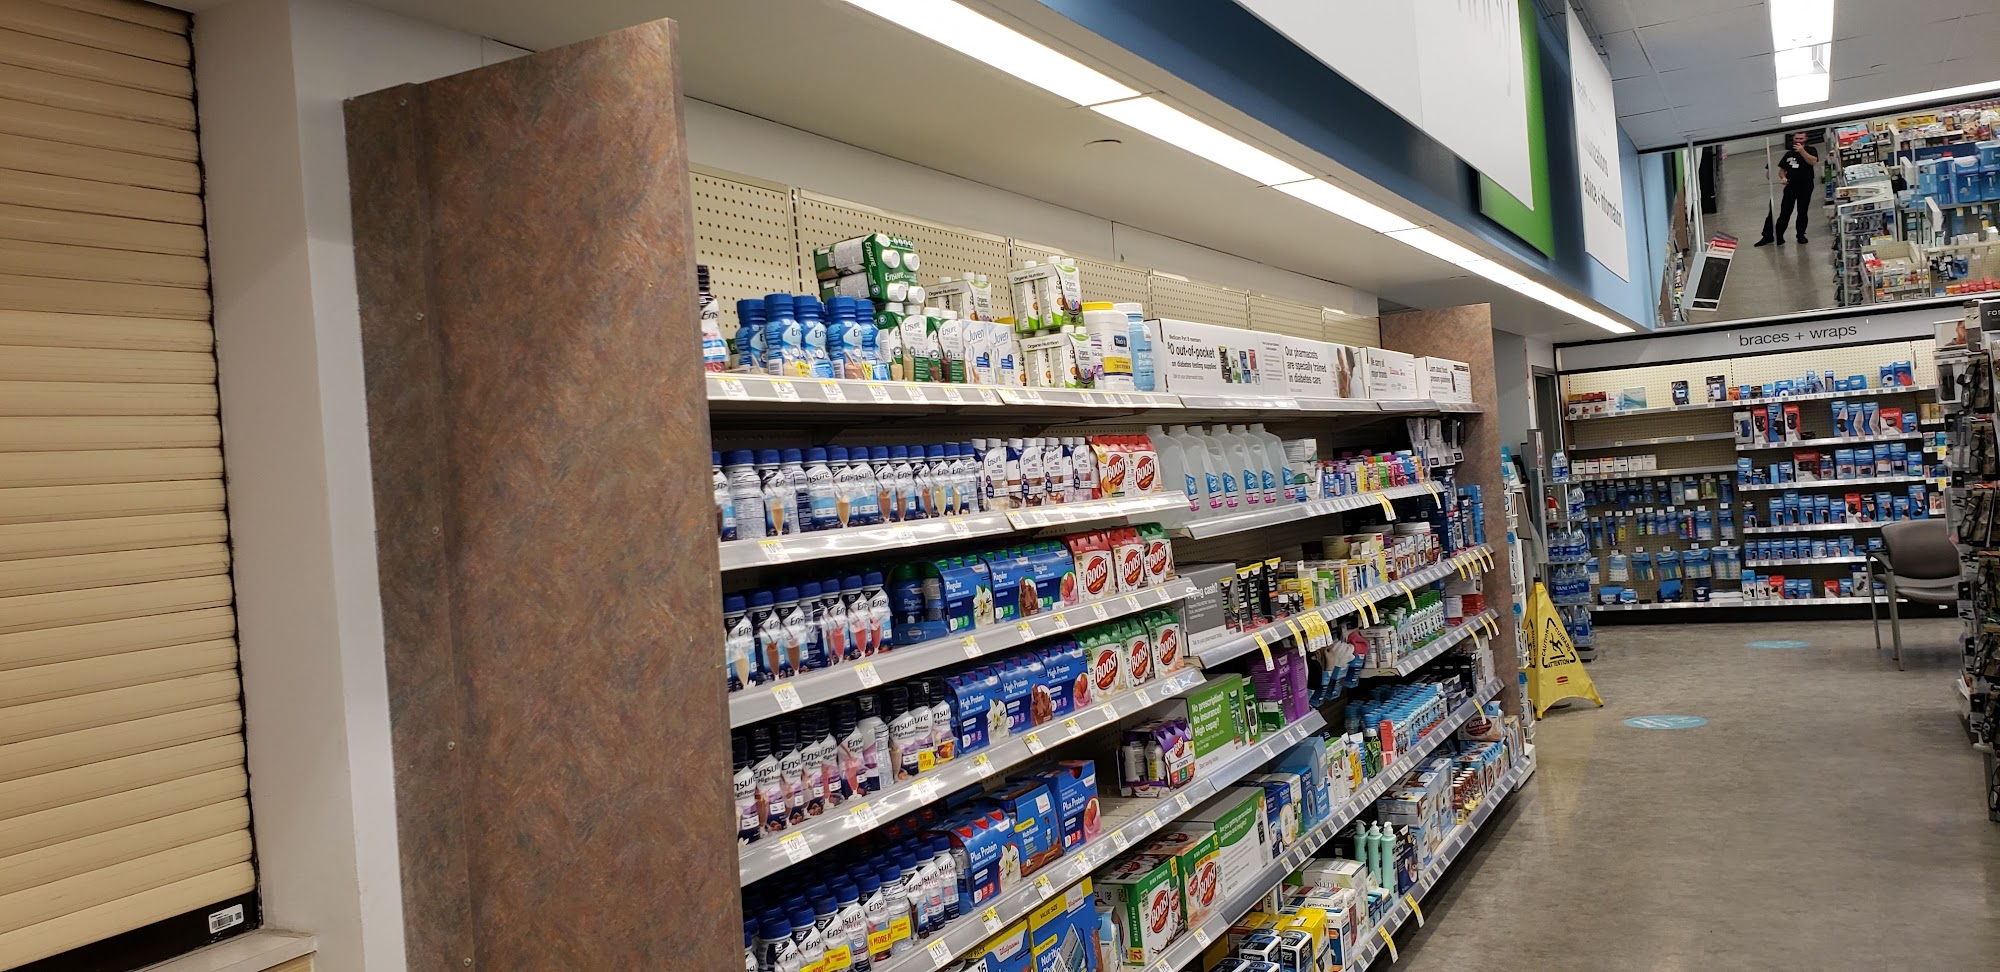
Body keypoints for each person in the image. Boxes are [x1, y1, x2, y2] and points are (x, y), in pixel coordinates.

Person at [1756, 132, 1820, 246]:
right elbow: (1781, 170)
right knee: (1785, 212)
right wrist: (1783, 177)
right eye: (1796, 138)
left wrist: (1802, 151)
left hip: (1805, 185)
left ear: (1806, 139)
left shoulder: (1811, 150)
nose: (1798, 141)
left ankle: (1801, 235)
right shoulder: (1788, 154)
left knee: (1802, 211)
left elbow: (1812, 161)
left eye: (1801, 138)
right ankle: (1779, 236)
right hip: (1791, 186)